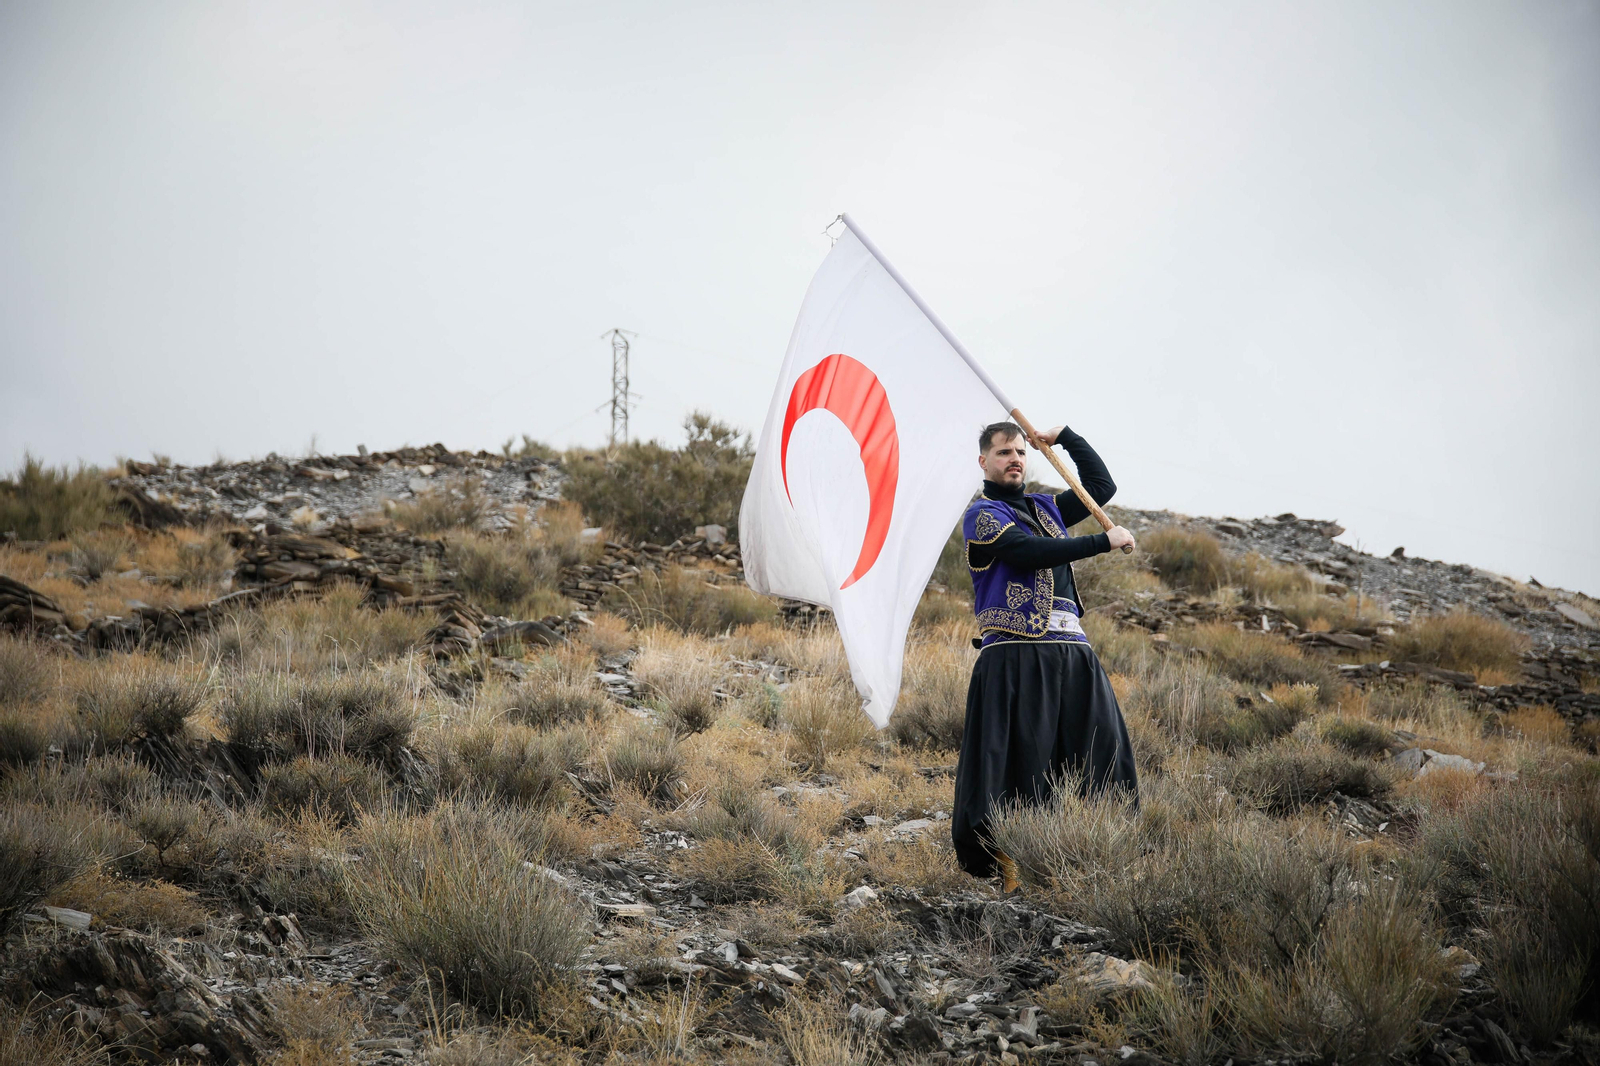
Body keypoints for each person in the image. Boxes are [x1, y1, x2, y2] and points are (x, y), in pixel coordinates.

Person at [951, 420, 1140, 891]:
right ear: (984, 462)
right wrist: (1103, 540)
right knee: (1020, 761)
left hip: (1073, 652)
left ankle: (1087, 857)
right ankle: (1014, 867)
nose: (1014, 459)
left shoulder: (1047, 507)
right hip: (1016, 656)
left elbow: (1100, 487)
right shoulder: (982, 515)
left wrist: (1067, 438)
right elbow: (1027, 552)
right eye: (1003, 453)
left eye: (1019, 452)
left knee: (1099, 752)